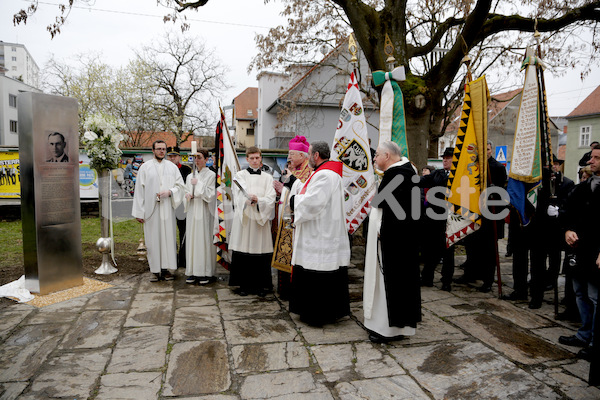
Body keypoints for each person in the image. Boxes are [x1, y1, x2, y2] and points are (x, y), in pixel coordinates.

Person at [363, 141, 421, 342]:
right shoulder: (407, 171)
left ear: (387, 156)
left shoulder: (397, 175)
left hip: (395, 240)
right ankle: (398, 327)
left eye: (377, 155)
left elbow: (395, 211)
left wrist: (382, 230)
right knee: (401, 284)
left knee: (391, 283)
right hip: (403, 240)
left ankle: (388, 330)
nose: (375, 159)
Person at [288, 141, 351, 326]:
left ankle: (317, 315)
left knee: (318, 273)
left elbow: (313, 202)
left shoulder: (325, 175)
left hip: (320, 234)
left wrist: (293, 201)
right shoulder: (328, 173)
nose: (308, 158)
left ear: (316, 155)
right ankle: (331, 311)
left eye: (309, 154)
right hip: (324, 230)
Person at [559, 143, 600, 362]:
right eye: (591, 157)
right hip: (580, 250)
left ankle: (595, 342)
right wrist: (567, 230)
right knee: (581, 294)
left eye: (596, 158)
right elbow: (567, 210)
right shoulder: (584, 186)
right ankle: (584, 334)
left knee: (595, 297)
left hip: (597, 253)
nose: (590, 161)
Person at [456, 140, 507, 292]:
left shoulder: (497, 168)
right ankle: (470, 274)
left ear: (491, 150)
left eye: (488, 149)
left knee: (489, 251)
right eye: (483, 150)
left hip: (490, 215)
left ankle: (488, 280)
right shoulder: (473, 166)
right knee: (472, 247)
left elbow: (501, 193)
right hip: (473, 212)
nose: (486, 152)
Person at [132, 140, 185, 281]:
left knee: (168, 238)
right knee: (153, 240)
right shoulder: (145, 168)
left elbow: (181, 186)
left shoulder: (172, 167)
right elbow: (139, 191)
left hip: (167, 208)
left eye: (163, 149)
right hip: (151, 210)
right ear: (153, 150)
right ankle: (155, 270)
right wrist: (139, 212)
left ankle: (167, 269)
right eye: (159, 149)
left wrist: (170, 192)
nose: (162, 151)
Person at [229, 146, 277, 296]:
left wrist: (259, 200)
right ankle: (244, 286)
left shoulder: (268, 177)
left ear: (260, 158)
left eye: (257, 158)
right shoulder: (240, 175)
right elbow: (237, 194)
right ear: (247, 159)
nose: (255, 160)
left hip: (259, 220)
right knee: (244, 251)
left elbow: (271, 198)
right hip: (246, 220)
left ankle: (260, 286)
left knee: (260, 252)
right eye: (252, 158)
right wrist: (247, 200)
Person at [272, 135, 312, 299]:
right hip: (284, 218)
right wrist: (280, 192)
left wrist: (283, 190)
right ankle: (284, 290)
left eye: (292, 154)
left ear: (302, 156)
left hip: (296, 221)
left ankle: (292, 291)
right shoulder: (291, 171)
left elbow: (304, 195)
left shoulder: (309, 173)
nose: (288, 157)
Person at [420, 147, 455, 291]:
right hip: (434, 219)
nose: (445, 160)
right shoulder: (437, 173)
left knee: (448, 251)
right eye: (444, 158)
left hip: (451, 218)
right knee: (430, 250)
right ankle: (427, 278)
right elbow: (422, 180)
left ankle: (447, 280)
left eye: (448, 158)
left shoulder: (461, 175)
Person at [183, 149, 217, 285]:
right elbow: (186, 190)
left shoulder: (211, 175)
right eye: (195, 158)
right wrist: (187, 196)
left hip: (204, 210)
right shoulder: (190, 176)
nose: (197, 160)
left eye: (200, 157)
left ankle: (205, 272)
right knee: (192, 240)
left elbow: (210, 194)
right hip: (192, 209)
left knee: (203, 240)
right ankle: (192, 271)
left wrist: (199, 184)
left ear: (207, 159)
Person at [167, 146, 193, 270]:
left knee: (183, 232)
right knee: (169, 232)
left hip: (182, 206)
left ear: (179, 157)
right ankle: (170, 258)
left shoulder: (187, 169)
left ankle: (183, 259)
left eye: (175, 156)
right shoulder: (164, 170)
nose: (172, 158)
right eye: (170, 156)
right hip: (167, 205)